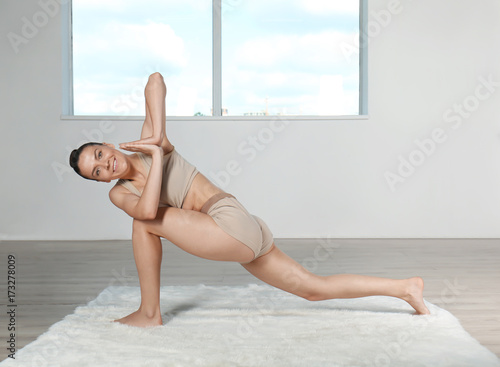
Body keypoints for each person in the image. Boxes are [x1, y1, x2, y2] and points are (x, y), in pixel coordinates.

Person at [69, 72, 430, 327]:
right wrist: (162, 154)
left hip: (230, 223)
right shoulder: (121, 193)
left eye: (99, 154)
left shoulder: (148, 142)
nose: (105, 165)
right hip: (241, 229)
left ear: (108, 144)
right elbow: (147, 208)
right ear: (100, 181)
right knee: (312, 289)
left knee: (141, 225)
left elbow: (155, 80)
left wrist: (159, 138)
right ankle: (404, 288)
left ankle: (149, 313)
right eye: (96, 172)